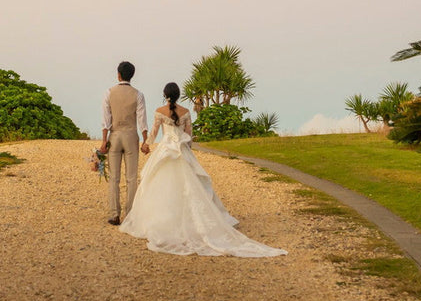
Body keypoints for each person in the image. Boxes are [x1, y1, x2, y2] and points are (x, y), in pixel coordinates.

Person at [119, 82, 286, 257]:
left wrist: (146, 145)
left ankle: (163, 221)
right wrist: (185, 149)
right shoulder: (185, 112)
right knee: (190, 187)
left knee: (161, 187)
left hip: (166, 151)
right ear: (178, 94)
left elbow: (154, 133)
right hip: (181, 151)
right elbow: (189, 137)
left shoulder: (160, 112)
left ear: (165, 94)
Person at [101, 61, 149, 225]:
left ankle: (115, 214)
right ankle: (130, 215)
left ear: (118, 74)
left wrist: (103, 140)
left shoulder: (109, 92)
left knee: (114, 177)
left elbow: (106, 119)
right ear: (132, 75)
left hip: (114, 136)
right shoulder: (138, 94)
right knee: (131, 178)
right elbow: (142, 119)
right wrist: (145, 140)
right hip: (130, 135)